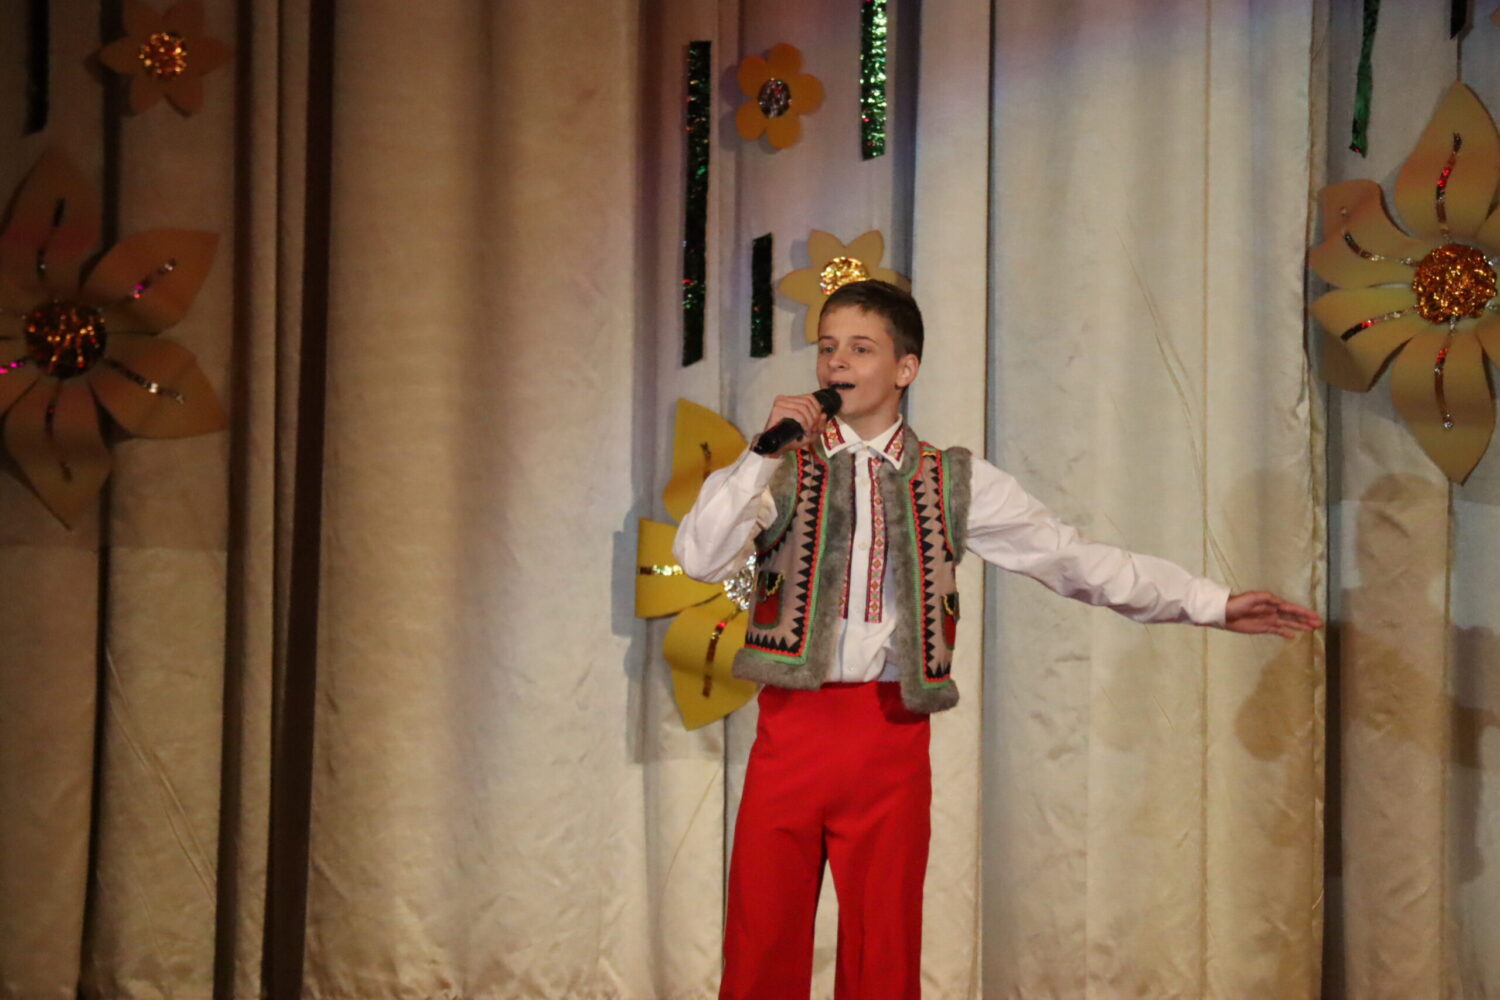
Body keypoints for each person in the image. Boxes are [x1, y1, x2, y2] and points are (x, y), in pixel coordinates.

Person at [672, 279, 1321, 1000]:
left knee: (884, 950)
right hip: (791, 730)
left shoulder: (951, 478)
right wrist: (760, 453)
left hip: (888, 734)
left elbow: (1075, 561)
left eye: (860, 348)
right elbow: (699, 556)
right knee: (762, 938)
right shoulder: (780, 468)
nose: (837, 363)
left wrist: (1211, 603)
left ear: (906, 368)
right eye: (828, 348)